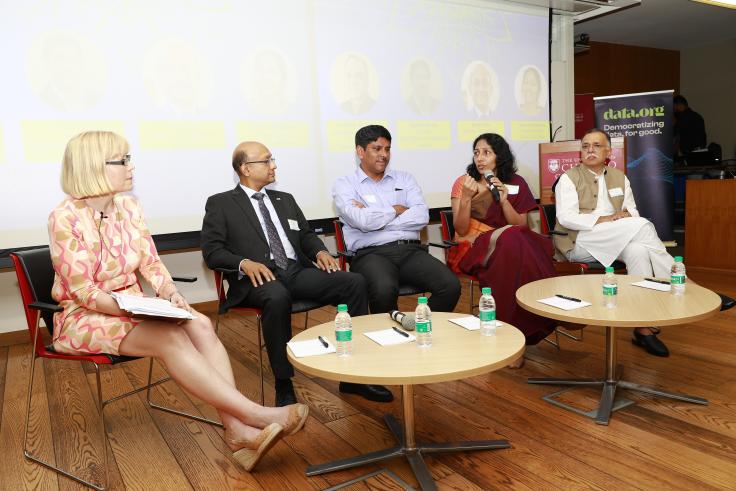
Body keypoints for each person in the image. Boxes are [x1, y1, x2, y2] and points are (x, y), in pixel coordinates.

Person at [48, 131, 306, 472]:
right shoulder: (64, 217)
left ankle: (236, 431)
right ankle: (253, 416)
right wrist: (132, 308)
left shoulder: (129, 206)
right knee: (169, 336)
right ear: (93, 166)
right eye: (122, 160)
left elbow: (151, 263)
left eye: (129, 158)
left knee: (198, 321)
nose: (131, 166)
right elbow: (84, 292)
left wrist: (170, 294)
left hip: (133, 306)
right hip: (84, 316)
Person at [201, 141, 393, 405]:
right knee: (276, 296)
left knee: (353, 282)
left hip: (294, 271)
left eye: (272, 159)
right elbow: (212, 251)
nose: (274, 165)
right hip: (259, 279)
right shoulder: (221, 203)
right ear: (245, 168)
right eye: (267, 161)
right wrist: (244, 262)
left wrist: (319, 252)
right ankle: (283, 382)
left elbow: (304, 235)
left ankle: (354, 376)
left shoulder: (285, 200)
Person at [554, 128, 674, 357]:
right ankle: (680, 281)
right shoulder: (568, 178)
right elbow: (566, 218)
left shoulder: (620, 177)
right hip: (580, 240)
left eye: (596, 146)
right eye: (586, 146)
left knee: (639, 250)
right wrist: (604, 219)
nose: (590, 150)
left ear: (609, 151)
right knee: (643, 226)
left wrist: (624, 217)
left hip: (614, 236)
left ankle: (643, 326)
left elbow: (632, 212)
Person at [449, 133, 557, 368]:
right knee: (514, 238)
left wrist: (504, 200)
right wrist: (466, 198)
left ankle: (516, 335)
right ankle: (547, 308)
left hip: (511, 248)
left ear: (500, 156)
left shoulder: (516, 183)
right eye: (476, 152)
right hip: (475, 247)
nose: (480, 158)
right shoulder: (464, 183)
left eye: (486, 152)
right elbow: (460, 227)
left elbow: (521, 224)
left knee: (513, 242)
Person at [332, 125, 461, 315]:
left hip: (411, 251)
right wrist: (397, 210)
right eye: (377, 149)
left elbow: (421, 216)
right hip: (371, 254)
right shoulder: (344, 185)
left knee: (450, 285)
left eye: (387, 149)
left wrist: (374, 217)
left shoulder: (405, 179)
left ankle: (419, 327)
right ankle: (390, 339)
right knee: (383, 290)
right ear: (360, 151)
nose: (383, 154)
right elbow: (362, 221)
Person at [673, 95, 707, 159]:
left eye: (674, 107)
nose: (674, 110)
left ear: (679, 105)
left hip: (691, 155)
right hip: (700, 153)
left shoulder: (683, 118)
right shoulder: (697, 116)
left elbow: (673, 134)